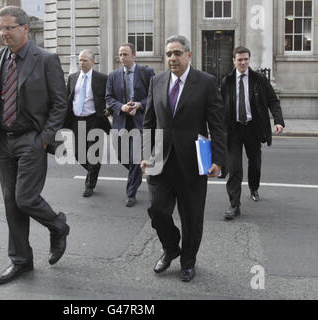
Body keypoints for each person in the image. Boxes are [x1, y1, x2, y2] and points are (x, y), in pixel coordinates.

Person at [0, 6, 69, 285]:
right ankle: (20, 260)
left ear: (24, 28)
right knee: (12, 205)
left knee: (25, 198)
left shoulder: (45, 59)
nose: (3, 33)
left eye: (9, 27)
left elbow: (60, 103)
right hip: (4, 140)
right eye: (0, 28)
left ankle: (58, 225)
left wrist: (44, 139)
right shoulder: (0, 56)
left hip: (31, 139)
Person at [141, 35, 226, 282]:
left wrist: (218, 160)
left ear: (189, 55)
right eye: (168, 54)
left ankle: (188, 261)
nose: (172, 58)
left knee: (192, 217)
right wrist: (146, 155)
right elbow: (149, 122)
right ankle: (171, 247)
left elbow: (217, 125)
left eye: (177, 53)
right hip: (161, 160)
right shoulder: (156, 82)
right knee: (157, 210)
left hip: (193, 162)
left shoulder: (206, 83)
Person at [221, 46, 284, 220]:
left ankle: (253, 187)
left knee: (254, 163)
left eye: (245, 59)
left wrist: (278, 121)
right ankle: (234, 205)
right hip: (233, 129)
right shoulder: (227, 81)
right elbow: (219, 106)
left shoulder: (259, 79)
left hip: (252, 128)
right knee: (234, 168)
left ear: (249, 60)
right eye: (239, 59)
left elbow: (273, 100)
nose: (243, 62)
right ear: (233, 60)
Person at [105, 43, 155, 207]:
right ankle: (137, 172)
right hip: (121, 123)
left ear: (134, 55)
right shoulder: (113, 75)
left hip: (140, 123)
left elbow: (154, 96)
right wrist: (121, 107)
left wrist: (140, 105)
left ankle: (131, 193)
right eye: (120, 55)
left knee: (135, 157)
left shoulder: (146, 73)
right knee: (121, 156)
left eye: (125, 54)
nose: (122, 58)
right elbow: (109, 98)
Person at [65, 49, 111, 197]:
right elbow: (68, 97)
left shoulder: (102, 78)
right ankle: (93, 169)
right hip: (77, 120)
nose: (82, 63)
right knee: (79, 154)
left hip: (94, 119)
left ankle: (90, 185)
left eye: (85, 60)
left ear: (93, 62)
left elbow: (110, 96)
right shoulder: (72, 78)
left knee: (93, 153)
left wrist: (109, 109)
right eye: (80, 60)